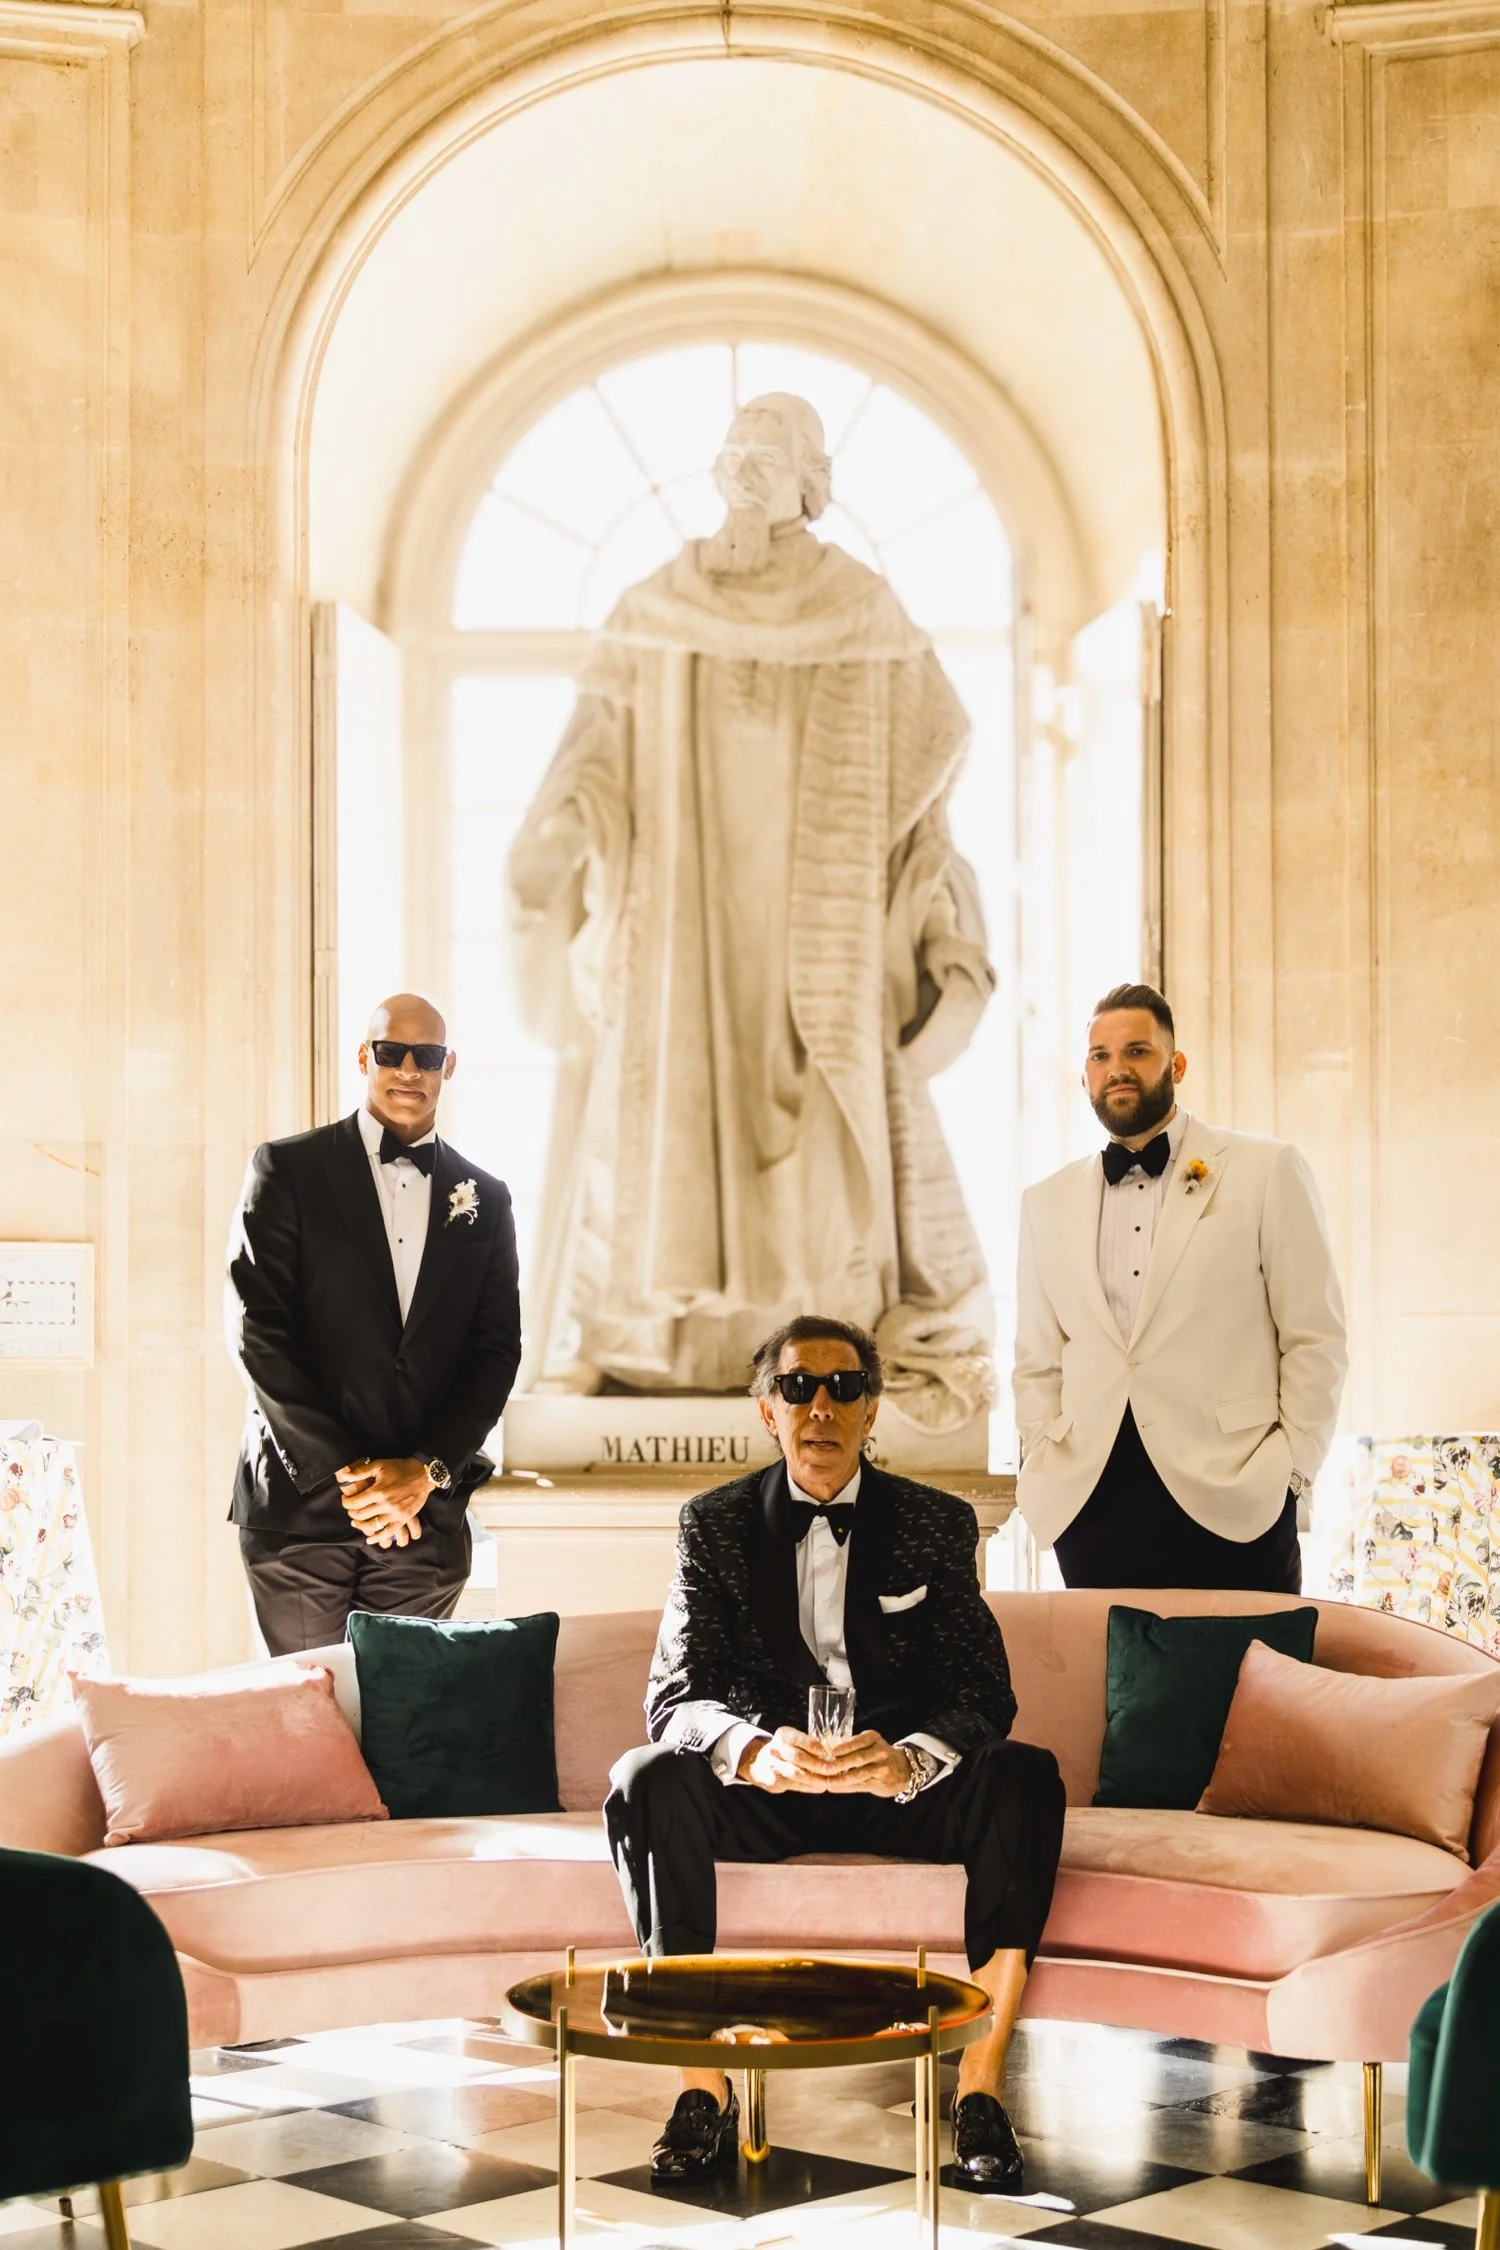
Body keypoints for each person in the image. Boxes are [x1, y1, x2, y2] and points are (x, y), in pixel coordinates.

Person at [507, 392, 996, 1437]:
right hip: (684, 917)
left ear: (813, 482)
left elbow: (933, 752)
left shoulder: (862, 608)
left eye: (769, 455)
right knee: (675, 1096)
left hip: (817, 920)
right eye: (735, 452)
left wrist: (934, 912)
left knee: (817, 1117)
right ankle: (664, 1344)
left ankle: (810, 1354)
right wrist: (566, 831)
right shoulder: (657, 605)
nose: (745, 468)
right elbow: (592, 752)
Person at [605, 1316, 1065, 2191]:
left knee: (1025, 1775)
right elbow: (674, 1697)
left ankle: (979, 2088)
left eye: (844, 1387)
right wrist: (751, 1751)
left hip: (896, 1789)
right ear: (768, 1411)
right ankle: (702, 2087)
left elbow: (984, 1692)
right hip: (768, 1791)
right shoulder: (713, 1524)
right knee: (645, 1778)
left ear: (871, 1410)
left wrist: (909, 1760)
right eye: (798, 1387)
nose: (821, 1405)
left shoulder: (936, 1521)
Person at [1013, 982, 1347, 1591]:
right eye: (1100, 1056)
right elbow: (1036, 1360)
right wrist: (1041, 1453)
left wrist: (1292, 1472)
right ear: (1084, 1077)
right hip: (1090, 1503)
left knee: (1253, 1655)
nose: (1117, 1069)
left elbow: (1314, 1334)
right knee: (1103, 1659)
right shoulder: (1046, 1203)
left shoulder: (1265, 1169)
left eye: (1137, 1051)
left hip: (1235, 1493)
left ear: (1177, 1065)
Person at [225, 994, 522, 1654]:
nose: (410, 1070)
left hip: (423, 1521)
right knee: (306, 1702)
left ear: (448, 1066)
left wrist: (424, 1471)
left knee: (404, 1707)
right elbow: (256, 1328)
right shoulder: (287, 1169)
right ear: (365, 1057)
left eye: (428, 1056)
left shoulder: (488, 1198)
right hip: (299, 1513)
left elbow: (497, 1352)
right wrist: (354, 1479)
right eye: (392, 1052)